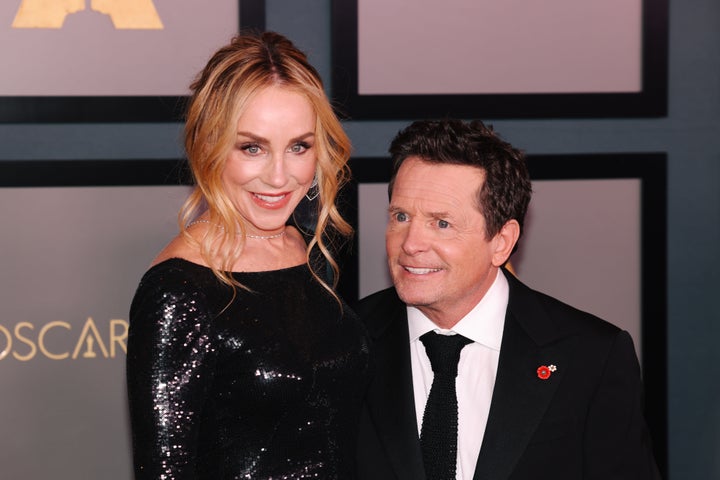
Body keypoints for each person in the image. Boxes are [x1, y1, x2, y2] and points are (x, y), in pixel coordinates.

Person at [356, 119, 661, 480]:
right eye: (401, 216)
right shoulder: (344, 341)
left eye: (441, 224)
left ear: (501, 241)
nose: (410, 243)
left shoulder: (592, 358)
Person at [126, 31, 370, 480]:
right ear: (209, 146)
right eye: (252, 147)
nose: (279, 177)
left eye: (299, 146)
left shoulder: (306, 249)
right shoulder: (179, 292)